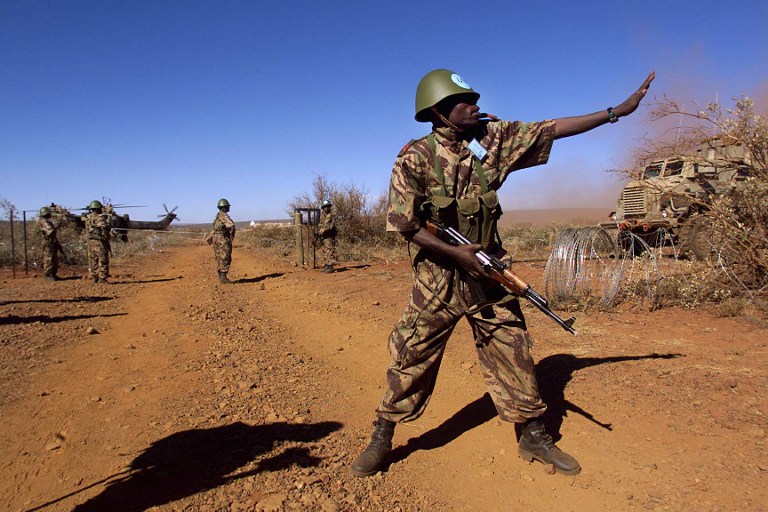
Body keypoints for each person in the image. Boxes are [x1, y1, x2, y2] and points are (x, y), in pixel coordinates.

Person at [350, 68, 655, 478]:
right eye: (464, 101)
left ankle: (532, 434)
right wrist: (455, 253)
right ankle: (382, 436)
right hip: (439, 280)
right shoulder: (414, 158)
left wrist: (616, 111)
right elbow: (404, 223)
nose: (475, 105)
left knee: (514, 349)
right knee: (412, 355)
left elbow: (551, 129)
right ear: (440, 112)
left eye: (474, 98)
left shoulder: (492, 142)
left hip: (489, 275)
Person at [84, 200, 111, 284]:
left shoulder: (87, 218)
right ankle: (102, 278)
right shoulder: (99, 218)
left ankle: (94, 276)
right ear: (98, 209)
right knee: (103, 259)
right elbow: (105, 227)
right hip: (99, 242)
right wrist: (107, 237)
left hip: (90, 242)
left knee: (93, 260)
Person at [213, 198, 236, 283]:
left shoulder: (218, 215)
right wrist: (231, 236)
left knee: (219, 256)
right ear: (224, 207)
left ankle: (221, 276)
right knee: (225, 256)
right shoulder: (223, 215)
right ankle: (223, 277)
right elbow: (231, 225)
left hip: (216, 238)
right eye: (227, 206)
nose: (229, 208)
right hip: (222, 238)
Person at [37, 206, 62, 281]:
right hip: (48, 242)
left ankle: (53, 274)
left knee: (54, 259)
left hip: (52, 241)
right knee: (49, 258)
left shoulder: (47, 221)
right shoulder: (44, 222)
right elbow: (50, 231)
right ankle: (47, 274)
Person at [317, 199, 338, 273]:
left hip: (330, 236)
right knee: (326, 251)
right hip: (325, 236)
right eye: (325, 207)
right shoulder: (324, 217)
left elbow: (330, 226)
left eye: (328, 207)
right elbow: (322, 225)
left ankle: (330, 266)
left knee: (330, 250)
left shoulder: (331, 216)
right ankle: (327, 265)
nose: (326, 208)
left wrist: (323, 230)